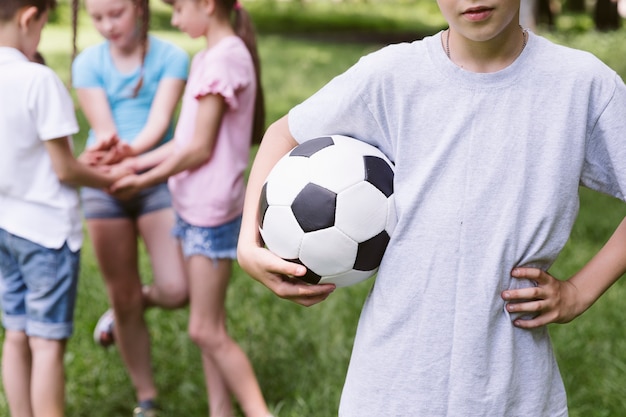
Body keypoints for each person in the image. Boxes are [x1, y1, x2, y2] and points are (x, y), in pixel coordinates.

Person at [237, 0, 626, 415]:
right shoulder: (391, 76)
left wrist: (579, 292)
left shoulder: (580, 85)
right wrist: (249, 244)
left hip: (513, 392)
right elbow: (283, 135)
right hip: (392, 385)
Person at [109, 0, 271, 416]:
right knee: (208, 325)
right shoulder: (208, 57)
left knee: (205, 329)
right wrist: (132, 160)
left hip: (211, 214)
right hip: (193, 207)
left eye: (179, 8)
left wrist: (142, 181)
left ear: (207, 5)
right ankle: (222, 410)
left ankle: (258, 411)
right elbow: (183, 142)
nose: (175, 19)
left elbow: (199, 150)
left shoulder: (226, 58)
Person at [0, 1, 131, 416]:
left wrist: (81, 164)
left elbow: (32, 155)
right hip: (46, 234)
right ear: (28, 17)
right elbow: (63, 170)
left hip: (4, 226)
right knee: (47, 344)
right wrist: (112, 179)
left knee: (16, 334)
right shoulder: (38, 79)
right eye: (41, 25)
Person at [70, 0, 189, 415]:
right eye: (97, 17)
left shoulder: (172, 57)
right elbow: (103, 128)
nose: (107, 26)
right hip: (104, 185)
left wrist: (129, 158)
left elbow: (157, 126)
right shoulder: (87, 63)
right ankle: (146, 398)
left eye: (116, 13)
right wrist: (109, 157)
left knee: (177, 290)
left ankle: (132, 304)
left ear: (139, 7)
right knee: (122, 296)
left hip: (154, 177)